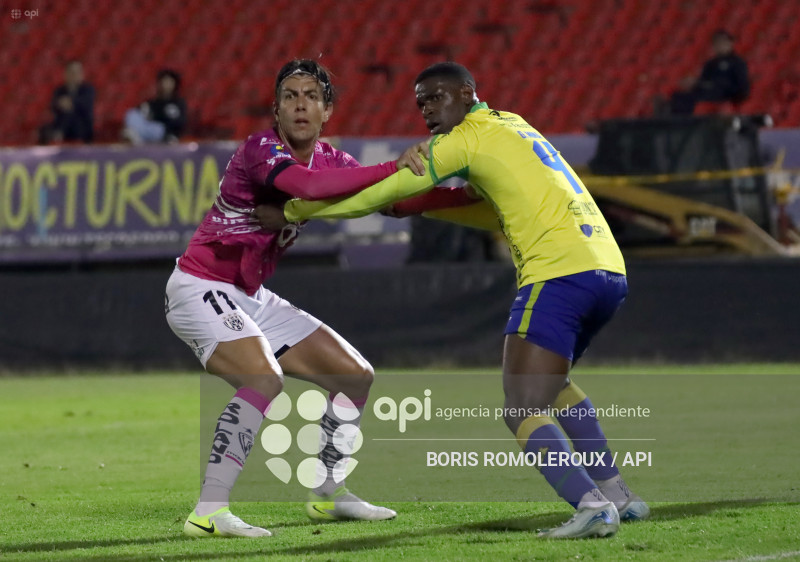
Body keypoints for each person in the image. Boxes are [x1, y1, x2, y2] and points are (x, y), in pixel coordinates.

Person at [257, 62, 650, 539]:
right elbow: (485, 210)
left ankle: (590, 505)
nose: (427, 111)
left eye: (436, 98)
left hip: (558, 273)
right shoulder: (512, 125)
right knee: (554, 385)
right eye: (421, 103)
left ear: (466, 93)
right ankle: (618, 494)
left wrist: (294, 210)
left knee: (521, 406)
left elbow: (386, 189)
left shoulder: (462, 139)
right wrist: (412, 206)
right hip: (607, 269)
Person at [165, 59, 424, 538]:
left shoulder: (332, 160)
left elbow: (396, 202)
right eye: (289, 96)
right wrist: (391, 167)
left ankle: (328, 492)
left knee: (354, 377)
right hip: (200, 285)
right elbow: (308, 188)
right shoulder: (261, 148)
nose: (300, 104)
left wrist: (464, 195)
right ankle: (209, 511)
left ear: (327, 111)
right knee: (264, 380)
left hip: (250, 294)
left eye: (310, 96)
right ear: (276, 110)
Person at [669, 29, 750, 115]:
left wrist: (722, 87)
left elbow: (742, 86)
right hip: (708, 92)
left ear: (730, 43)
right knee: (680, 97)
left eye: (722, 42)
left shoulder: (737, 62)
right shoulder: (711, 64)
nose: (720, 45)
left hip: (726, 94)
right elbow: (704, 80)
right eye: (717, 43)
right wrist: (694, 83)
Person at [124, 69, 187, 144]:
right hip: (149, 127)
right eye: (164, 81)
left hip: (164, 131)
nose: (166, 85)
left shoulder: (178, 103)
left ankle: (137, 137)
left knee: (158, 129)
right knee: (132, 114)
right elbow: (141, 112)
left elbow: (178, 122)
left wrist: (160, 115)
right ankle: (136, 138)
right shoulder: (154, 102)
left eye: (169, 82)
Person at [40, 60, 95, 144]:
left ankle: (59, 133)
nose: (74, 75)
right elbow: (54, 107)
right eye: (72, 72)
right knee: (43, 129)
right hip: (62, 123)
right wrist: (61, 104)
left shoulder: (88, 90)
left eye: (77, 72)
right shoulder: (59, 91)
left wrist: (71, 102)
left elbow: (85, 106)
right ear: (66, 74)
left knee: (71, 115)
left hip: (81, 127)